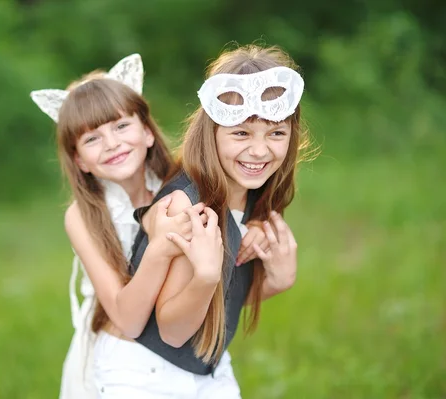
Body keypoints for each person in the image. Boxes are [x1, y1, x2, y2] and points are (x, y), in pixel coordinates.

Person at [92, 44, 315, 398]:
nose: (259, 151)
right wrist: (205, 274)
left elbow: (222, 301)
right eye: (241, 133)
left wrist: (278, 280)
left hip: (202, 366)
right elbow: (174, 331)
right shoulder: (188, 208)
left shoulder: (252, 191)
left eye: (276, 133)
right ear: (211, 133)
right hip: (146, 371)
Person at [30, 54, 207, 399]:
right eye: (91, 138)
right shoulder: (83, 216)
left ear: (147, 132)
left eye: (121, 126)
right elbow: (128, 319)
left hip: (183, 341)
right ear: (79, 159)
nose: (111, 143)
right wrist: (158, 248)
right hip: (120, 351)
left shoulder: (179, 187)